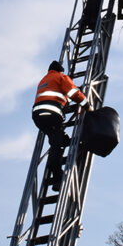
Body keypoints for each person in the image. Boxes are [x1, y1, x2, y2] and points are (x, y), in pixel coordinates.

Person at [32, 60, 91, 190]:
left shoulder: (44, 80)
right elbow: (73, 93)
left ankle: (63, 140)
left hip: (38, 115)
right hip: (52, 113)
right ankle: (57, 179)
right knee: (56, 146)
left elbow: (54, 96)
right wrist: (86, 105)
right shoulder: (61, 77)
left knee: (58, 139)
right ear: (60, 70)